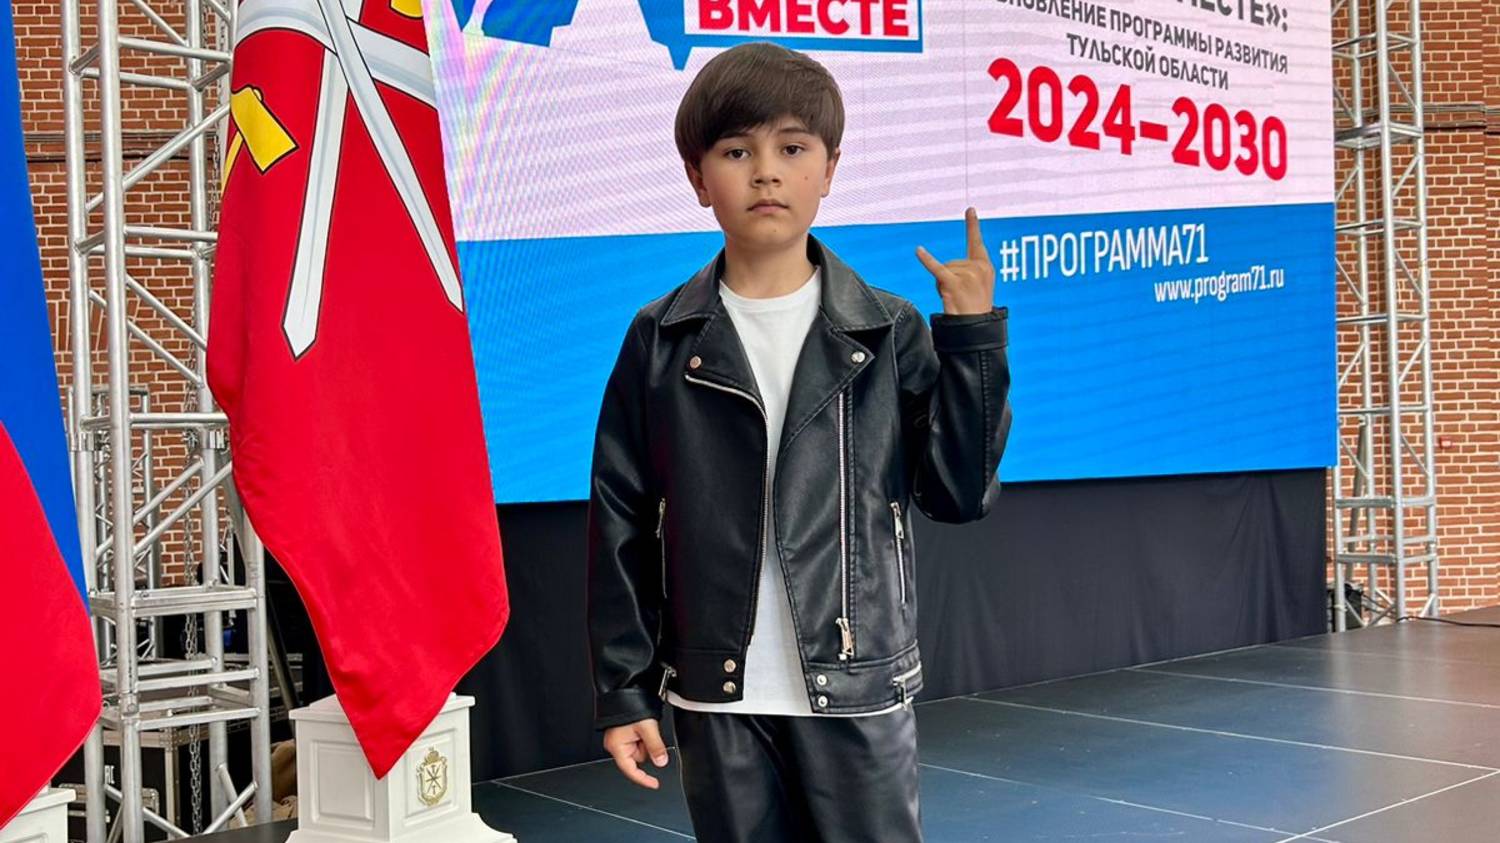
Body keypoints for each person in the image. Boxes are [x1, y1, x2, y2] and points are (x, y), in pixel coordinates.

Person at [585, 40, 1012, 842]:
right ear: (697, 177)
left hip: (859, 684)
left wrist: (973, 339)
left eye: (792, 148)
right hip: (717, 693)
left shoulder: (888, 330)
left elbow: (957, 494)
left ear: (829, 168)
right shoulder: (660, 338)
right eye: (736, 152)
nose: (766, 174)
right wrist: (624, 689)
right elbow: (621, 521)